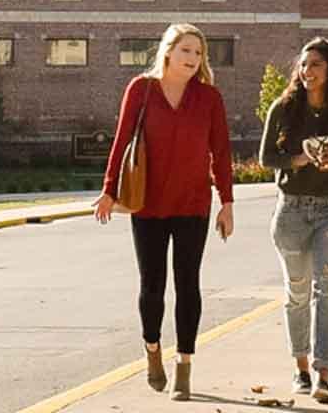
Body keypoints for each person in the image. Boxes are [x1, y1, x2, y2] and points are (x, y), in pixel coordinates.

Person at [94, 23, 236, 401]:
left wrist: (227, 202)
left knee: (188, 285)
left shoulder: (209, 98)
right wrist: (109, 191)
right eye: (186, 50)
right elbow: (122, 139)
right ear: (169, 51)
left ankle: (184, 365)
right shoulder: (141, 90)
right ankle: (153, 349)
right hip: (148, 204)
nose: (193, 59)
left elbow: (221, 152)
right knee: (152, 286)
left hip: (193, 204)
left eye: (199, 53)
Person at [260, 38, 328, 404]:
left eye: (315, 64)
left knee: (327, 291)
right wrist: (298, 160)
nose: (307, 71)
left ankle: (323, 374)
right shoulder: (283, 109)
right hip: (291, 211)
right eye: (303, 65)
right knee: (297, 291)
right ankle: (300, 369)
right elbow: (266, 158)